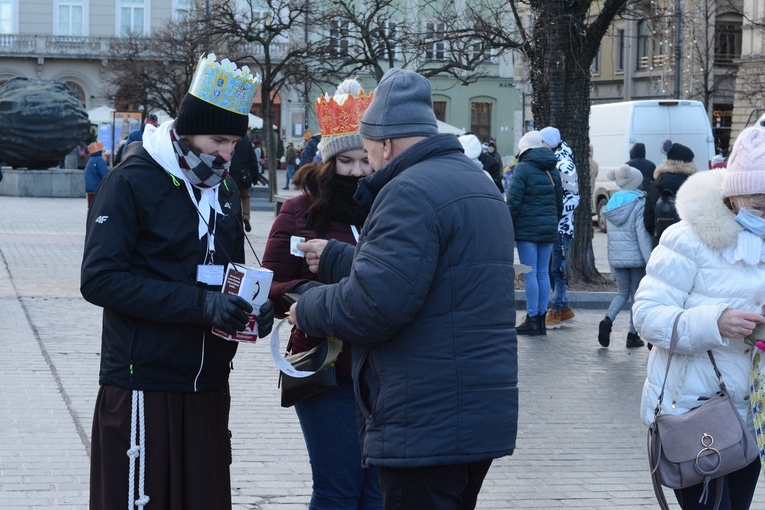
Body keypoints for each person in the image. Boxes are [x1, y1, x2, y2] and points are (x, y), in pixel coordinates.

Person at [288, 68, 518, 510]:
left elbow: (373, 305)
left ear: (386, 144)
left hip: (426, 415)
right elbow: (435, 278)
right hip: (475, 412)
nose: (367, 166)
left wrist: (309, 304)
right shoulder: (477, 184)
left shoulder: (407, 190)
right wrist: (339, 258)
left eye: (369, 152)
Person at [80, 53, 275, 510]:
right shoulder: (131, 181)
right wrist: (201, 306)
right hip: (143, 383)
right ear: (185, 131)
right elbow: (100, 280)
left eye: (234, 142)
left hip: (207, 385)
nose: (227, 154)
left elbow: (223, 271)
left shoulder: (223, 189)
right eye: (218, 140)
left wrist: (252, 307)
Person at [263, 78, 381, 510]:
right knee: (337, 491)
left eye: (363, 160)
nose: (356, 172)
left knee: (377, 494)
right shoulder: (299, 212)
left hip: (382, 372)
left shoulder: (387, 206)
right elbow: (268, 286)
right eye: (345, 161)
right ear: (327, 160)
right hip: (325, 368)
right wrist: (307, 293)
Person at [634, 126, 765, 509]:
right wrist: (714, 322)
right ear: (732, 193)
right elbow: (646, 315)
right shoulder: (686, 239)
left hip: (753, 415)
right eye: (759, 206)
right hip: (695, 413)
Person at [507, 130, 562, 336]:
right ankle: (540, 320)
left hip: (527, 230)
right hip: (548, 228)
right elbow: (559, 201)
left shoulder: (522, 168)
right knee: (541, 272)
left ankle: (532, 318)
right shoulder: (552, 169)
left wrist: (507, 224)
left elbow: (514, 201)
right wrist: (552, 222)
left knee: (529, 273)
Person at [598, 165, 652, 348]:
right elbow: (642, 236)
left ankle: (607, 320)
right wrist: (650, 262)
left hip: (618, 259)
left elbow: (610, 240)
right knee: (637, 295)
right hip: (636, 259)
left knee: (621, 293)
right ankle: (632, 334)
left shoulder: (612, 204)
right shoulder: (638, 202)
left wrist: (612, 266)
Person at [540, 126, 580, 330]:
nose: (540, 146)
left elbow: (573, 196)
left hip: (561, 227)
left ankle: (556, 310)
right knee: (552, 268)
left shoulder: (563, 164)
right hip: (555, 224)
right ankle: (564, 309)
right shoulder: (555, 160)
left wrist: (557, 215)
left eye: (543, 142)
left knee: (557, 269)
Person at [644, 140, 698, 246]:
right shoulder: (693, 183)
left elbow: (648, 218)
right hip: (687, 242)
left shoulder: (656, 183)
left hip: (661, 241)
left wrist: (657, 233)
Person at [229, 137, 259, 232]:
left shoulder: (229, 140)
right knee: (245, 197)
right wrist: (255, 178)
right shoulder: (246, 142)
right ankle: (246, 216)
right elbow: (253, 161)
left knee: (233, 198)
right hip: (244, 176)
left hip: (231, 176)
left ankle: (235, 219)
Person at [84, 141, 109, 209]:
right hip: (97, 189)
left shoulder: (90, 160)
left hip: (89, 189)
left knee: (91, 208)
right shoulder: (99, 160)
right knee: (98, 208)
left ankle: (90, 219)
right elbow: (105, 174)